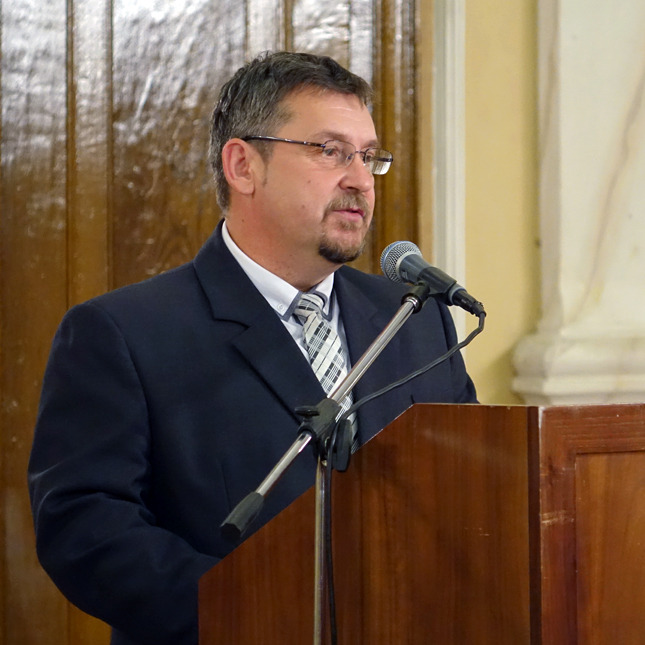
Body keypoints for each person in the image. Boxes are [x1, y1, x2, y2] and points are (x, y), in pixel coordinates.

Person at [28, 51, 477, 645]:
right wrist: (252, 609)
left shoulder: (416, 320)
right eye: (330, 151)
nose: (360, 179)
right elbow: (86, 527)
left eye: (369, 156)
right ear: (243, 166)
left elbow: (472, 490)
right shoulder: (123, 333)